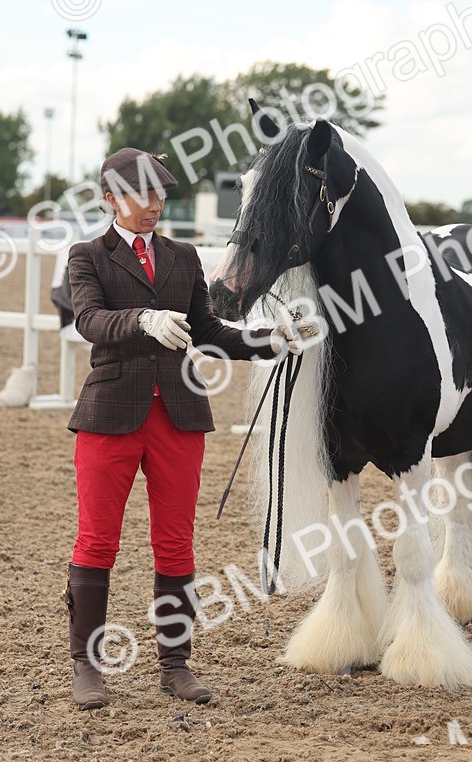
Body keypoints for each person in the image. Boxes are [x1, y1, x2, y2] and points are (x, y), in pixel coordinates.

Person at [64, 147, 300, 711]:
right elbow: (90, 319)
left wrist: (268, 340)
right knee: (98, 540)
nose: (155, 206)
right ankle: (87, 666)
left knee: (175, 541)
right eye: (143, 196)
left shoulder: (184, 256)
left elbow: (209, 331)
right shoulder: (87, 256)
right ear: (110, 199)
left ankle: (175, 664)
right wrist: (142, 320)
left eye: (160, 195)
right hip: (110, 414)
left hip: (179, 416)